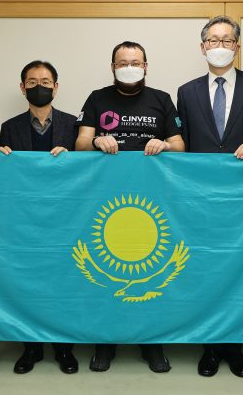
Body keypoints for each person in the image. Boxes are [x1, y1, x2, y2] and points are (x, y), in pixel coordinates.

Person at [176, 15, 243, 378]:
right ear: (202, 46)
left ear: (237, 46)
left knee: (240, 270)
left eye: (226, 40)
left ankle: (235, 348)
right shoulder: (186, 91)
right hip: (200, 197)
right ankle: (209, 347)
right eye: (213, 40)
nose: (219, 46)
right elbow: (183, 144)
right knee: (205, 270)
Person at [75, 41, 185, 373]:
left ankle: (151, 343)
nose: (129, 67)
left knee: (149, 267)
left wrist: (164, 144)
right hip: (104, 197)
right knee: (106, 266)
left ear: (146, 66)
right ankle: (104, 342)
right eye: (122, 62)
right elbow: (80, 143)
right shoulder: (97, 98)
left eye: (135, 62)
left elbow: (180, 146)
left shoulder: (161, 99)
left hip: (153, 198)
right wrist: (96, 141)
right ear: (113, 67)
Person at [0, 60, 78, 375]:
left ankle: (63, 348)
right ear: (22, 88)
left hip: (65, 218)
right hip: (25, 219)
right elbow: (1, 178)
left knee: (63, 283)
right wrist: (0, 159)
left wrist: (74, 159)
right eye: (32, 82)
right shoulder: (9, 126)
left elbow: (90, 171)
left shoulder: (73, 125)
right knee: (27, 283)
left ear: (56, 87)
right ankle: (31, 347)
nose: (39, 87)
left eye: (45, 81)